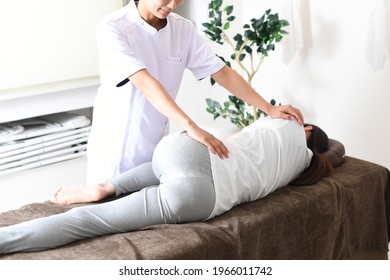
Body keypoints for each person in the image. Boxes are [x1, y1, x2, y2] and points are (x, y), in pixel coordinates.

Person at [0, 117, 333, 254]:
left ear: (306, 129)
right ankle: (103, 191)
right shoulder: (305, 167)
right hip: (202, 200)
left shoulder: (286, 124)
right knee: (86, 223)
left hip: (184, 154)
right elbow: (339, 154)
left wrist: (288, 116)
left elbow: (237, 138)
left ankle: (104, 188)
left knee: (161, 166)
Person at [87, 0, 304, 184]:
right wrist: (191, 127)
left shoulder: (183, 29)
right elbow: (145, 83)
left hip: (155, 149)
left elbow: (222, 73)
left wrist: (268, 108)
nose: (173, 5)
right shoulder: (112, 27)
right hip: (114, 152)